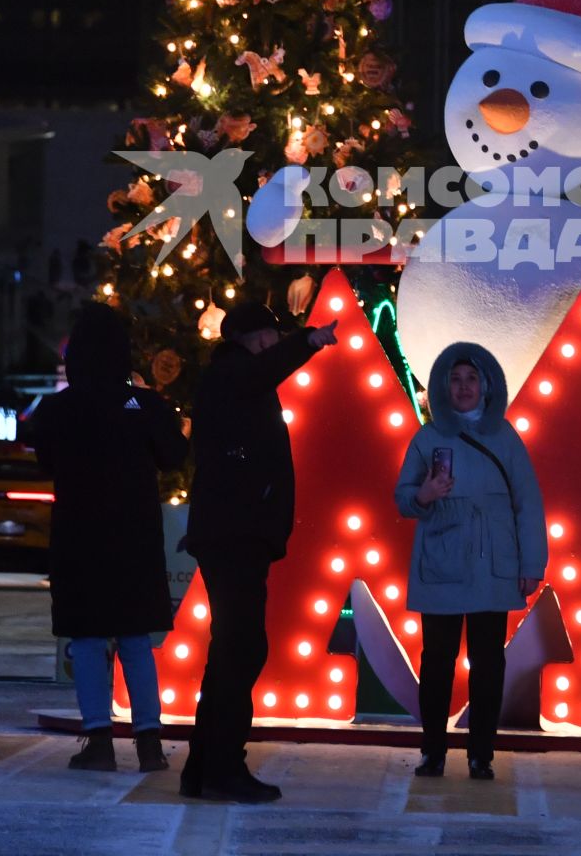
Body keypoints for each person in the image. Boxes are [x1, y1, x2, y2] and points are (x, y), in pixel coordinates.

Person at [181, 302, 339, 803]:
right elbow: (265, 370)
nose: (274, 344)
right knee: (241, 649)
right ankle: (222, 767)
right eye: (269, 337)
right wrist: (306, 342)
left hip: (237, 532)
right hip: (235, 533)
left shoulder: (236, 380)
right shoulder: (232, 374)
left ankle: (205, 765)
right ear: (248, 340)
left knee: (233, 649)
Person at [30, 304, 188, 773]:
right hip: (134, 538)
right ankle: (149, 743)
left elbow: (45, 463)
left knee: (88, 639)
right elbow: (175, 455)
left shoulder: (57, 408)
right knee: (136, 641)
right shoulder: (145, 406)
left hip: (79, 539)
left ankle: (98, 739)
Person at [394, 343, 547, 781]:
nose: (463, 388)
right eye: (456, 379)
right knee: (437, 660)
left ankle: (482, 753)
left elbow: (528, 503)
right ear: (444, 385)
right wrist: (423, 496)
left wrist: (531, 561)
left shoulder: (506, 437)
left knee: (488, 662)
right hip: (442, 558)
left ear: (486, 385)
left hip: (492, 561)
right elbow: (404, 496)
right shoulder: (427, 437)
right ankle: (433, 751)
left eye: (471, 379)